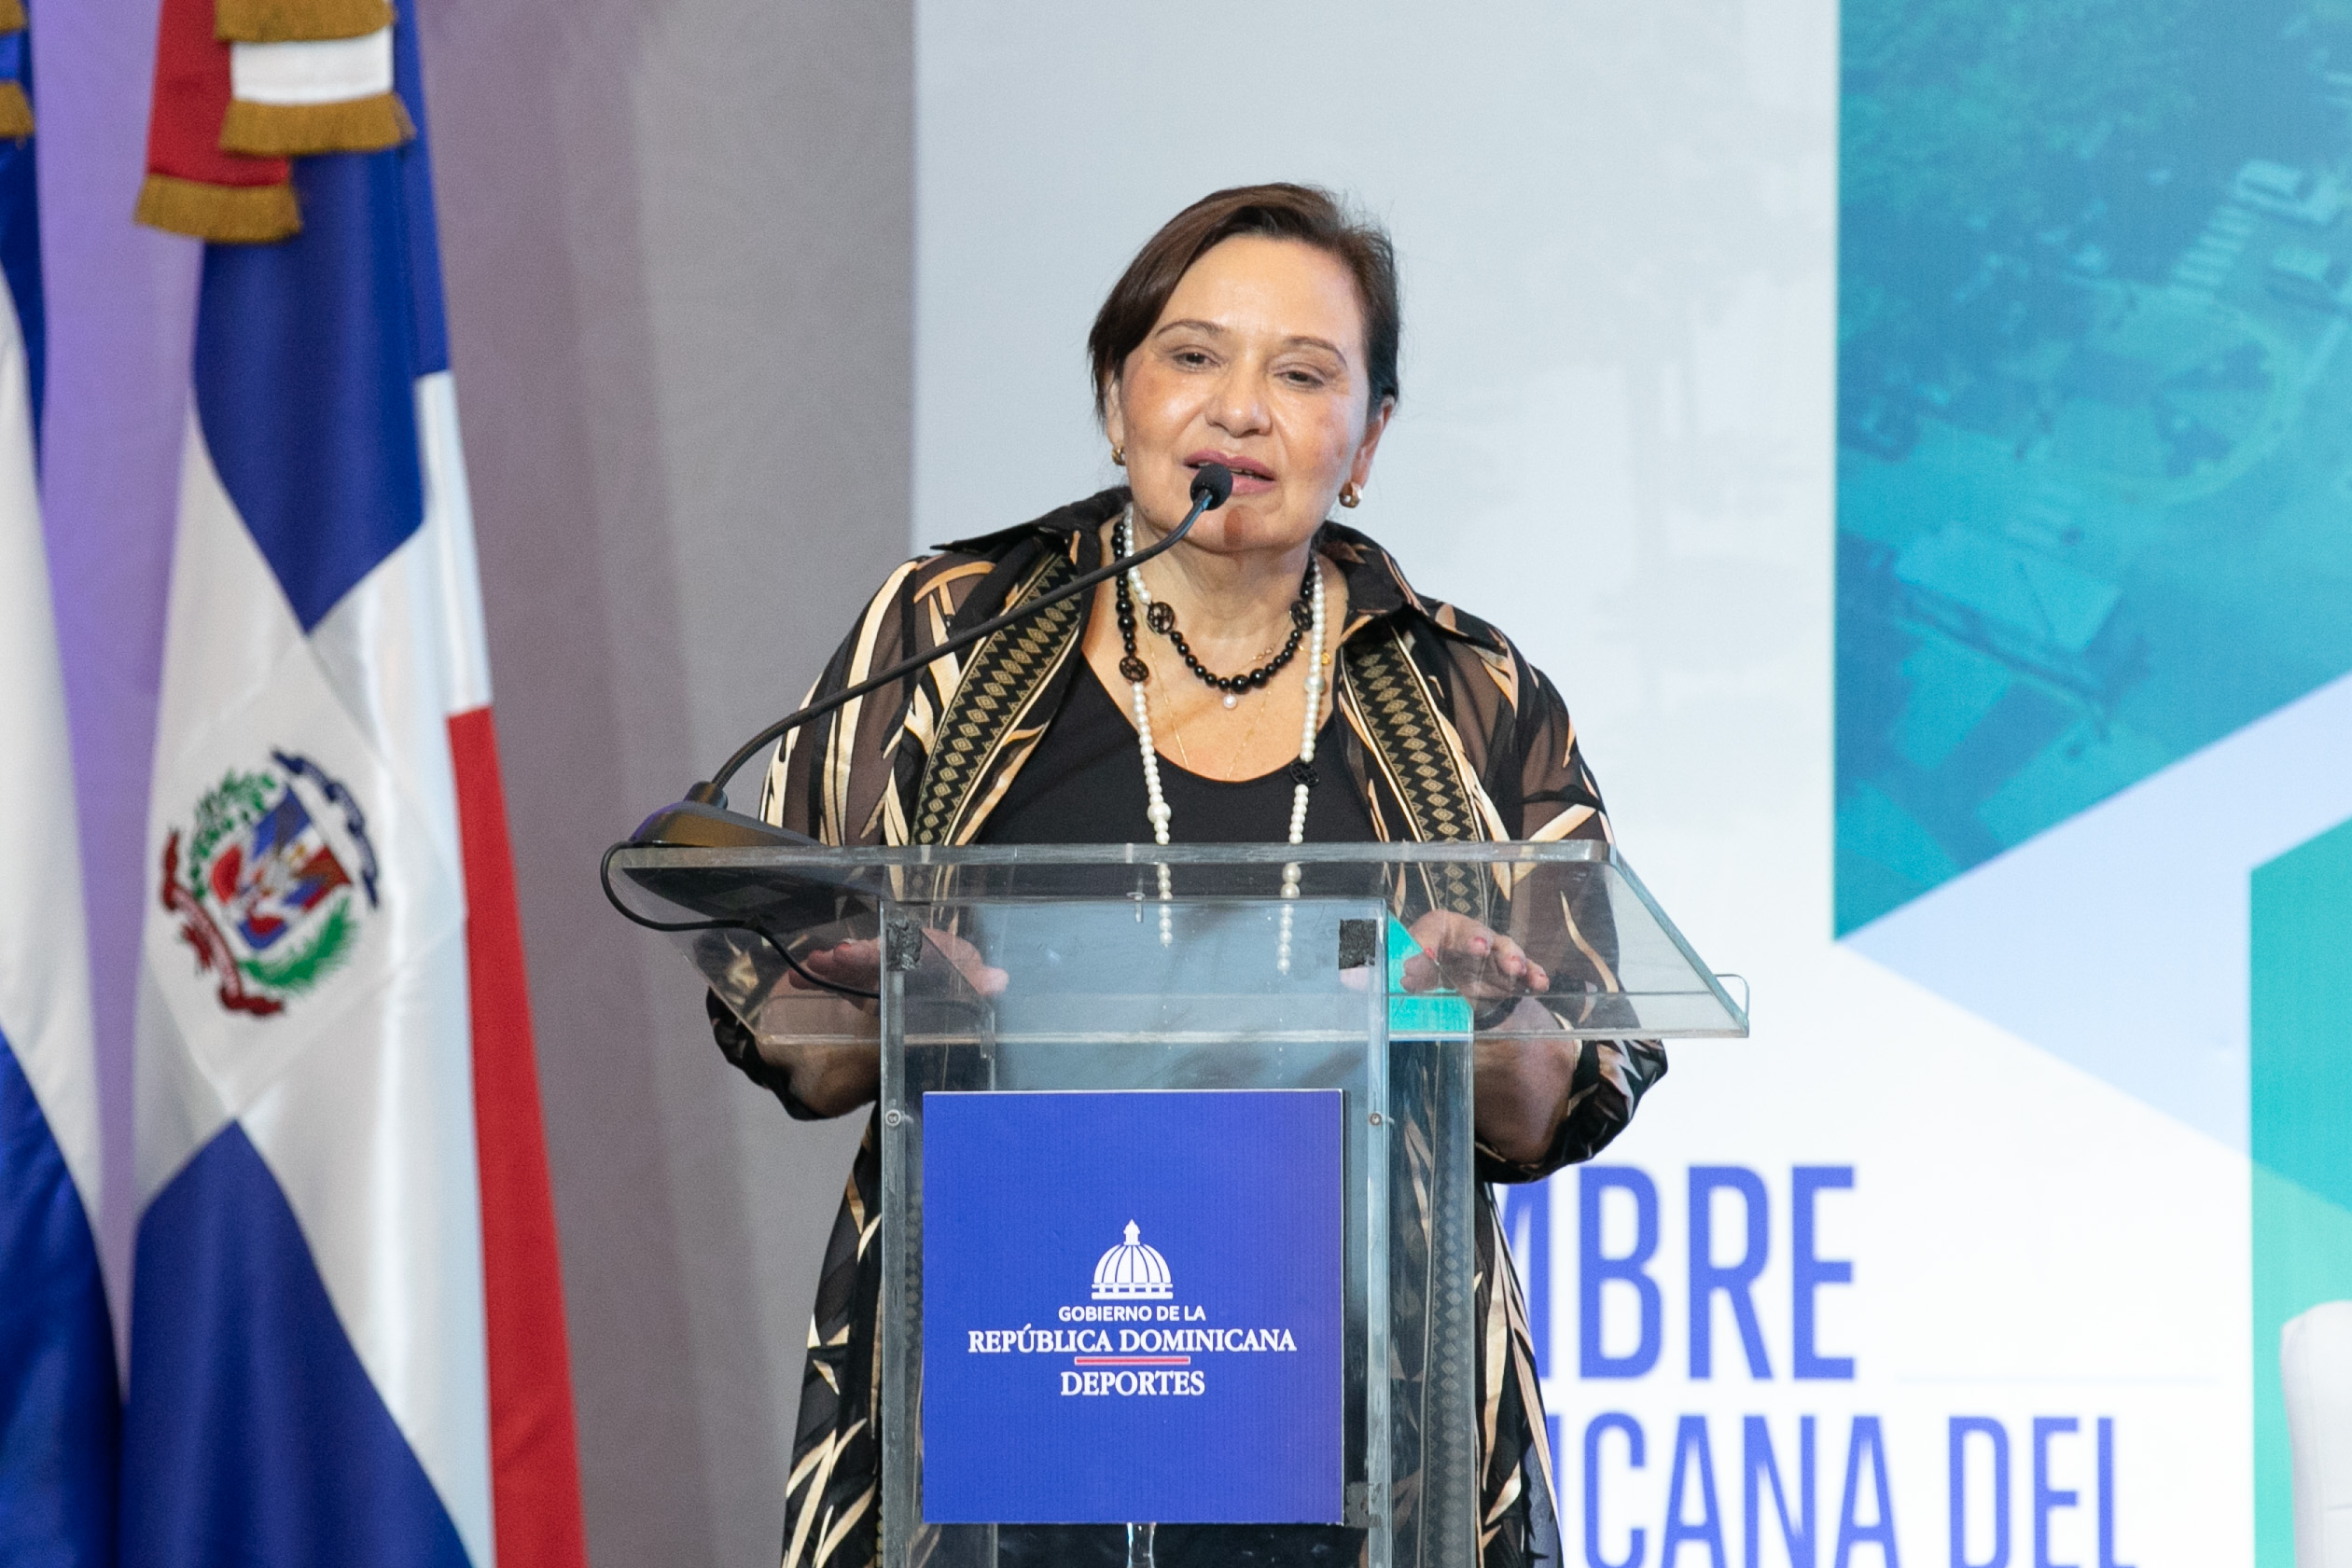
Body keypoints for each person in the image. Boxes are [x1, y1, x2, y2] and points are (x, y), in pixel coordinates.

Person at [709, 183, 1668, 1568]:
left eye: (1303, 374)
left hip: (1365, 1429)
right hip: (998, 1399)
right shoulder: (948, 635)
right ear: (1117, 400)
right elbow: (794, 1040)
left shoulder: (1470, 694)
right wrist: (871, 992)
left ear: (1367, 442)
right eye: (1193, 355)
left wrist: (1469, 1013)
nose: (1239, 410)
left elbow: (1545, 1106)